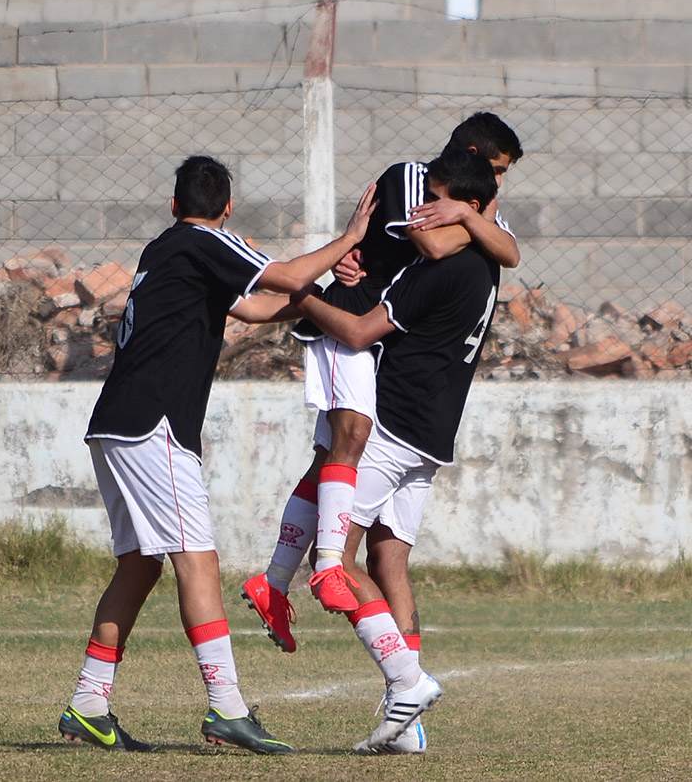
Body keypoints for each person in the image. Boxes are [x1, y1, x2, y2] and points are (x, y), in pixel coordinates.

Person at [58, 155, 374, 755]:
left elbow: (256, 306)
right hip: (154, 427)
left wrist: (321, 293)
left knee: (139, 564)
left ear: (173, 204)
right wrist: (350, 240)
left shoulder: (165, 249)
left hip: (115, 425)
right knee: (197, 563)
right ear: (226, 210)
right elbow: (279, 276)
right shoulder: (205, 242)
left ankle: (88, 703)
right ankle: (227, 707)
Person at [242, 112, 523, 647]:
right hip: (348, 323)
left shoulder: (464, 202)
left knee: (333, 460)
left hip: (373, 338)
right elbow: (437, 248)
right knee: (348, 444)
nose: (501, 185)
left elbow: (509, 251)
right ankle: (315, 569)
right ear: (470, 155)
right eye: (498, 169)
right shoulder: (412, 179)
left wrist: (467, 213)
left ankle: (276, 582)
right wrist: (470, 219)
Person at [289, 150, 505, 753]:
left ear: (468, 205)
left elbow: (358, 332)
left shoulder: (444, 266)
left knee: (333, 564)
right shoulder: (489, 258)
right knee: (390, 562)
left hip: (394, 427)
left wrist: (301, 292)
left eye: (432, 200)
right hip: (433, 435)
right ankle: (407, 728)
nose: (420, 212)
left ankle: (406, 683)